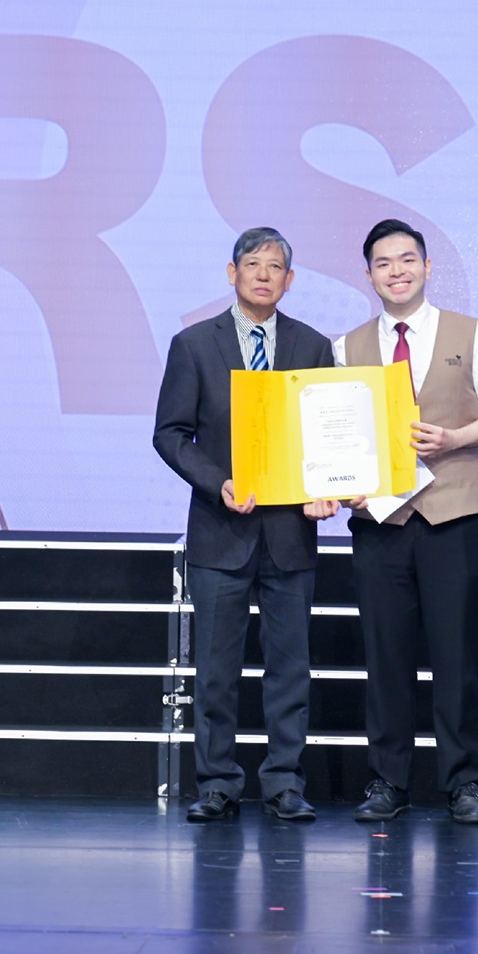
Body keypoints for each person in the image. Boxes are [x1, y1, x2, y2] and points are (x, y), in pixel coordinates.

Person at [335, 218, 478, 825]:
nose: (397, 271)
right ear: (369, 275)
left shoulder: (471, 333)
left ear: (427, 267)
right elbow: (336, 435)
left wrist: (456, 438)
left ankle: (463, 783)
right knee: (385, 657)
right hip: (380, 522)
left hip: (454, 516)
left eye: (407, 259)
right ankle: (388, 781)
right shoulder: (346, 347)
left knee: (456, 656)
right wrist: (338, 484)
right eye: (384, 263)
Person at [153, 227, 339, 822]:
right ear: (231, 273)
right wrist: (217, 482)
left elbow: (326, 436)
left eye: (275, 266)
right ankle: (217, 783)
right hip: (221, 530)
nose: (263, 274)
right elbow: (170, 434)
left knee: (290, 671)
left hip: (290, 534)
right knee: (216, 671)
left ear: (290, 279)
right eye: (252, 264)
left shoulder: (313, 347)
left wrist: (328, 488)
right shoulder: (193, 345)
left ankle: (284, 783)